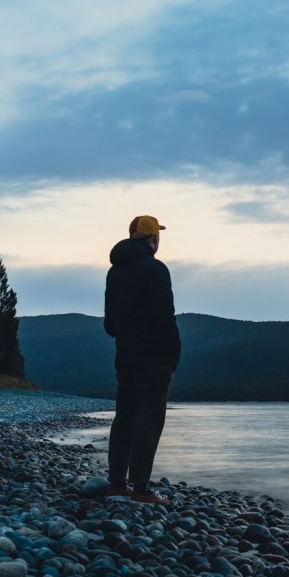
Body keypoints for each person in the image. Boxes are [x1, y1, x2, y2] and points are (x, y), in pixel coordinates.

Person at [103, 215, 181, 505]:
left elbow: (110, 324)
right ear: (153, 239)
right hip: (155, 358)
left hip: (125, 357)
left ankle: (116, 484)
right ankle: (141, 489)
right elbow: (165, 317)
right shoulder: (156, 269)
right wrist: (173, 352)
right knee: (149, 420)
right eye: (158, 236)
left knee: (124, 418)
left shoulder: (115, 272)